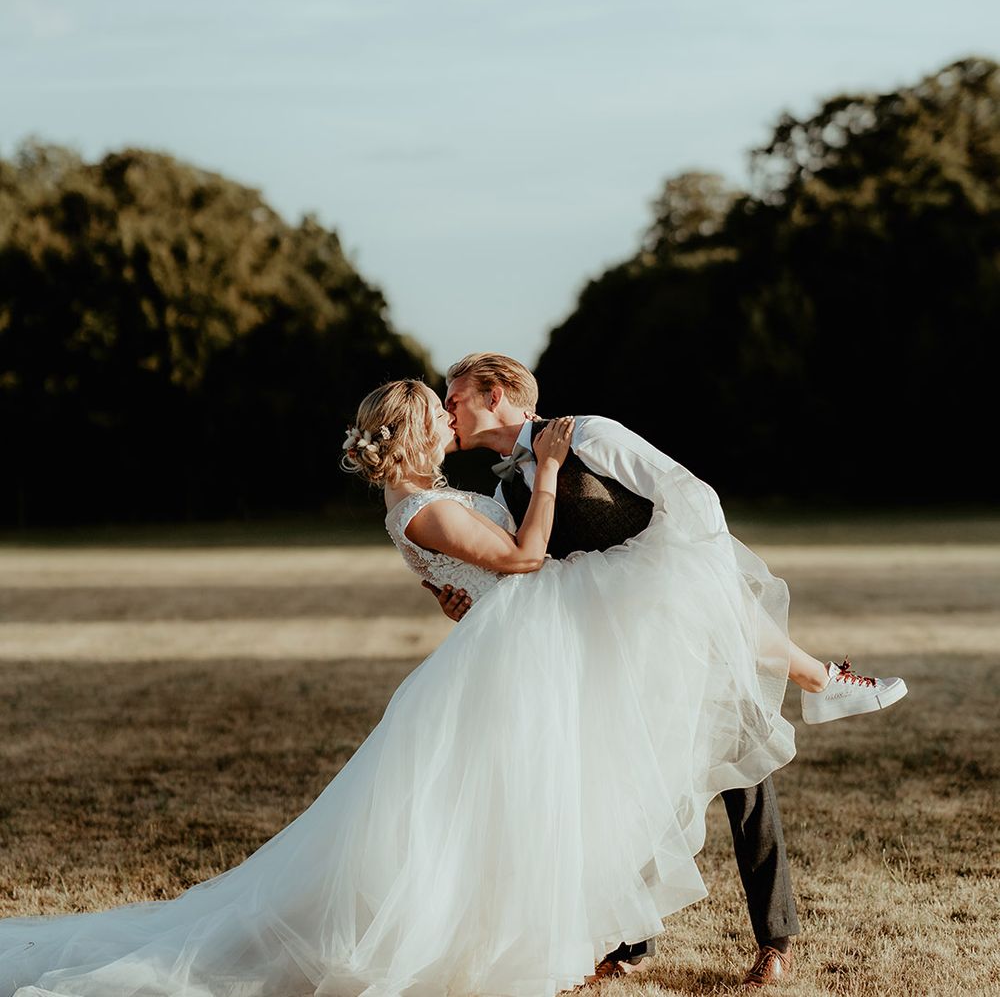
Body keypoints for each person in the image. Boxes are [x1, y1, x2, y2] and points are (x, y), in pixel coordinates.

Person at [2, 376, 801, 997]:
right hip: (516, 658)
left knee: (563, 796)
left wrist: (469, 588)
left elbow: (491, 571)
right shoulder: (420, 503)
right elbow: (523, 559)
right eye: (440, 412)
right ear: (419, 430)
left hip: (534, 643)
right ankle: (571, 940)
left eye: (453, 405)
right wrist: (550, 470)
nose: (452, 421)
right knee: (524, 807)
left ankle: (657, 935)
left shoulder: (431, 497)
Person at [426, 352, 907, 988]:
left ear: (496, 394)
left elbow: (690, 497)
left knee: (745, 772)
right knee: (627, 783)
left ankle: (775, 938)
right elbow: (526, 574)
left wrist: (685, 587)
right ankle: (631, 945)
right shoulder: (510, 488)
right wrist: (464, 602)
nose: (447, 409)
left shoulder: (589, 434)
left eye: (454, 396)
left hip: (676, 615)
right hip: (613, 651)